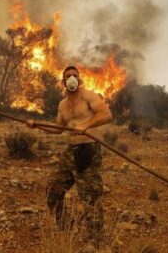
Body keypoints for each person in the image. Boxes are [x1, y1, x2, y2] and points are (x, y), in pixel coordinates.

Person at [27, 65, 112, 251]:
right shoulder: (62, 104)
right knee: (53, 190)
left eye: (75, 75)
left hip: (89, 149)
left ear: (79, 79)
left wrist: (86, 125)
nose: (72, 78)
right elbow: (58, 129)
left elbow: (106, 114)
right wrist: (37, 125)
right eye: (68, 76)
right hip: (70, 150)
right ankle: (67, 227)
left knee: (90, 198)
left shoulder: (89, 96)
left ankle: (97, 242)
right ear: (63, 81)